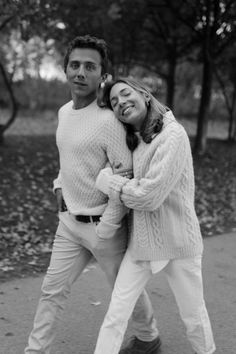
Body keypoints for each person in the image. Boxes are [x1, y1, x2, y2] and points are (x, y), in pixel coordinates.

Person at [24, 36, 161, 354]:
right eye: (75, 65)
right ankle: (35, 350)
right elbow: (67, 160)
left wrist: (107, 227)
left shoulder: (109, 121)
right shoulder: (63, 113)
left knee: (123, 290)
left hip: (105, 227)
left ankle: (147, 336)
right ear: (65, 70)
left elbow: (125, 176)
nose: (80, 72)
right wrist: (58, 187)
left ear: (103, 75)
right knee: (51, 291)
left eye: (90, 66)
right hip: (69, 223)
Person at [94, 77, 216, 354]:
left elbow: (148, 196)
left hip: (179, 242)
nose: (121, 102)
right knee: (116, 314)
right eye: (114, 102)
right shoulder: (133, 141)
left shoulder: (173, 135)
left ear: (145, 95)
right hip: (142, 244)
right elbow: (134, 187)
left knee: (193, 316)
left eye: (125, 94)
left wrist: (109, 183)